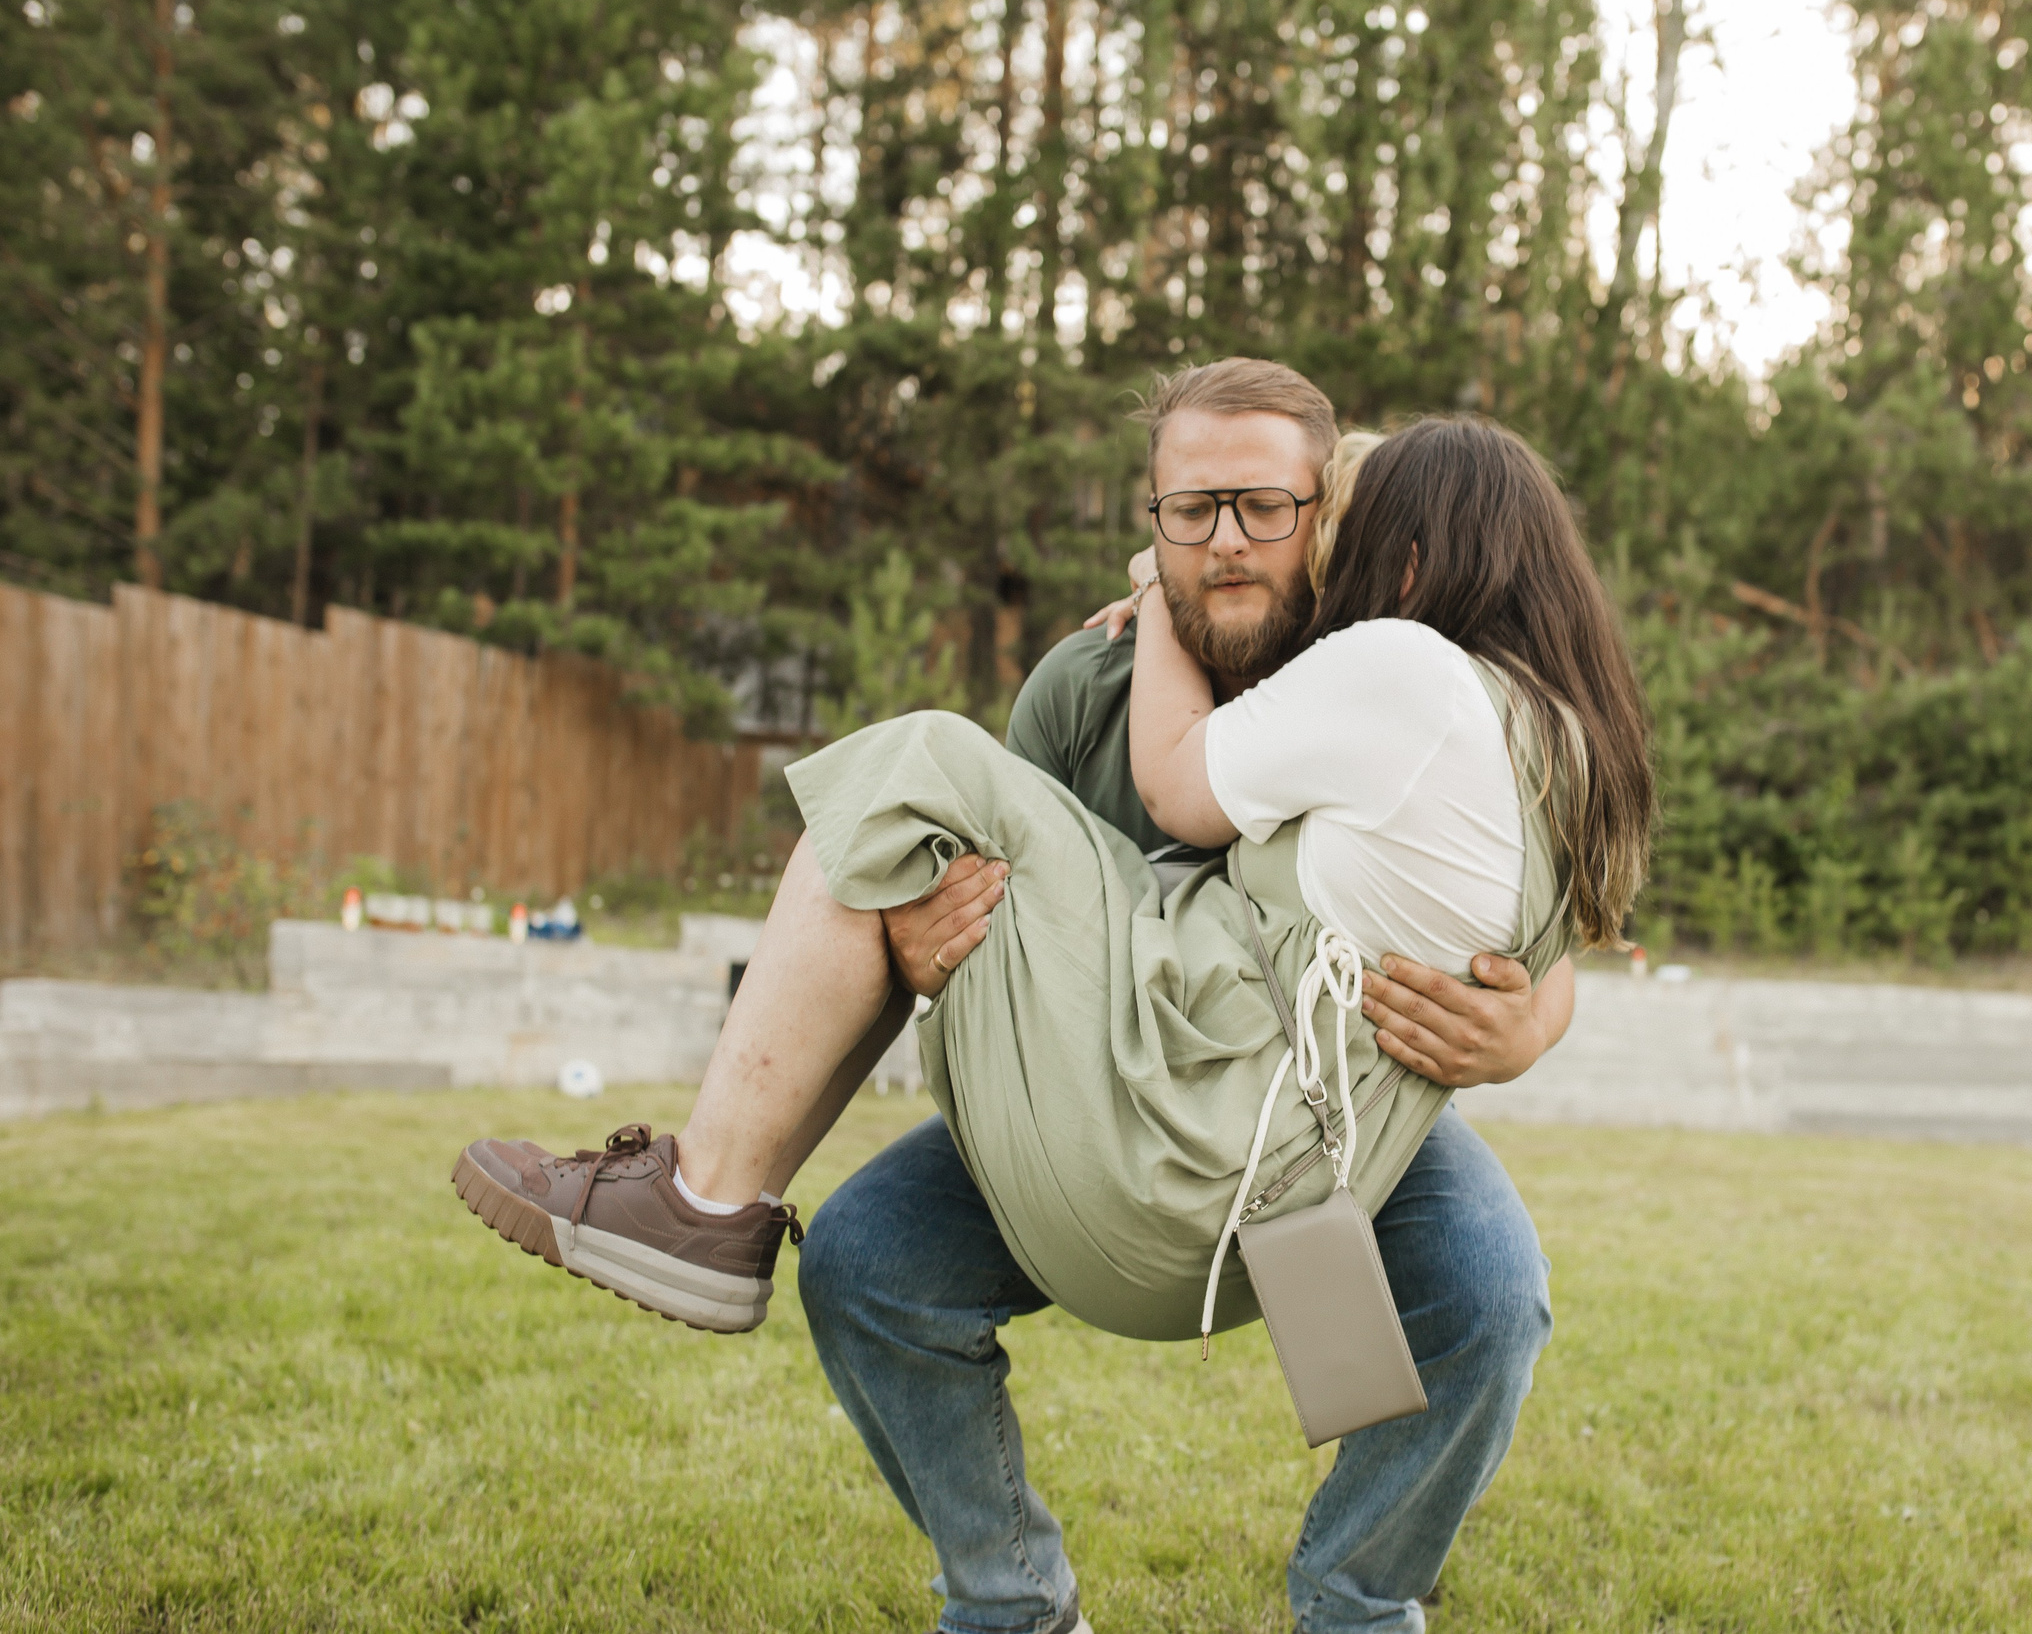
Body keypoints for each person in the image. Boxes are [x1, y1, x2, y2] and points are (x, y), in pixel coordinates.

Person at [451, 365, 1655, 1634]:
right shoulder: (1087, 690)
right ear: (1151, 520)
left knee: (1487, 1288)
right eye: (1190, 513)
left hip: (1323, 1109)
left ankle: (1357, 1601)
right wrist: (917, 938)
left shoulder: (1392, 669)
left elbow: (1523, 913)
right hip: (1108, 1090)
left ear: (1335, 525)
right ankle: (1011, 1604)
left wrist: (1531, 1022)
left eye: (1267, 507)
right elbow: (967, 891)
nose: (1226, 541)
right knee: (865, 1262)